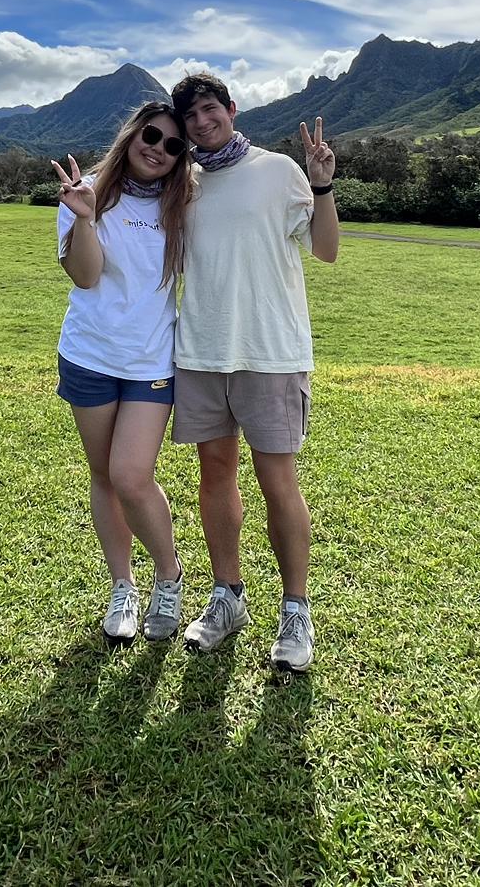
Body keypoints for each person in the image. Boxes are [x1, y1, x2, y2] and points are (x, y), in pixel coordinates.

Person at [168, 72, 338, 671]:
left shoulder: (278, 170)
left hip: (270, 351)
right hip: (202, 352)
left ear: (231, 109)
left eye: (210, 109)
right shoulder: (181, 183)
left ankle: (296, 613)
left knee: (277, 481)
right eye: (189, 117)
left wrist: (321, 187)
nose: (201, 123)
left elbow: (326, 249)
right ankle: (227, 597)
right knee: (215, 475)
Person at [51, 101, 195, 644]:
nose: (158, 149)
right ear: (133, 133)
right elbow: (85, 277)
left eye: (174, 145)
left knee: (132, 476)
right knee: (105, 476)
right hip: (89, 356)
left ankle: (169, 577)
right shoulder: (85, 191)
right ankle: (122, 587)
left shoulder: (184, 202)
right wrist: (85, 217)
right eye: (153, 135)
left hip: (151, 361)